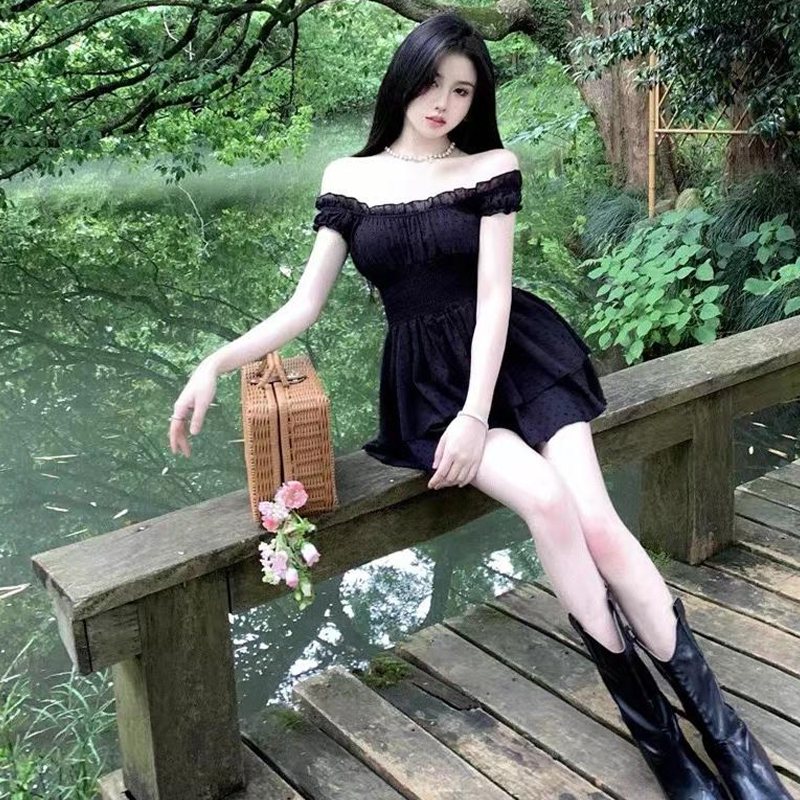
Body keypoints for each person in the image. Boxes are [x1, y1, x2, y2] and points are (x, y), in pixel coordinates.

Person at [168, 11, 790, 800]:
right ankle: (663, 746)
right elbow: (303, 306)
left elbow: (494, 296)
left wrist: (476, 412)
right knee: (547, 505)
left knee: (599, 522)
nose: (444, 103)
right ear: (404, 78)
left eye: (462, 91)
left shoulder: (491, 166)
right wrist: (216, 361)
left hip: (517, 357)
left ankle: (726, 737)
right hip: (426, 384)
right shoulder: (347, 178)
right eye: (432, 83)